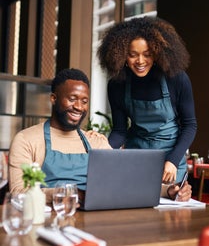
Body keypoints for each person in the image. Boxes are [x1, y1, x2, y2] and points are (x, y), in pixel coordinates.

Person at [97, 16, 197, 196]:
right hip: (137, 158)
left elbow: (190, 125)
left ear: (158, 53)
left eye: (147, 54)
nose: (140, 61)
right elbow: (120, 131)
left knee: (173, 215)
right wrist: (104, 152)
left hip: (171, 159)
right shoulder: (117, 85)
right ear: (121, 55)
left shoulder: (176, 78)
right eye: (132, 54)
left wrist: (173, 161)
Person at [9, 68, 111, 204]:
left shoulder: (97, 142)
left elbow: (116, 182)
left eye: (84, 101)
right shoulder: (26, 139)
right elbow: (18, 193)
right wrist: (68, 194)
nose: (79, 107)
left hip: (93, 219)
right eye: (72, 99)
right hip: (48, 218)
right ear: (53, 98)